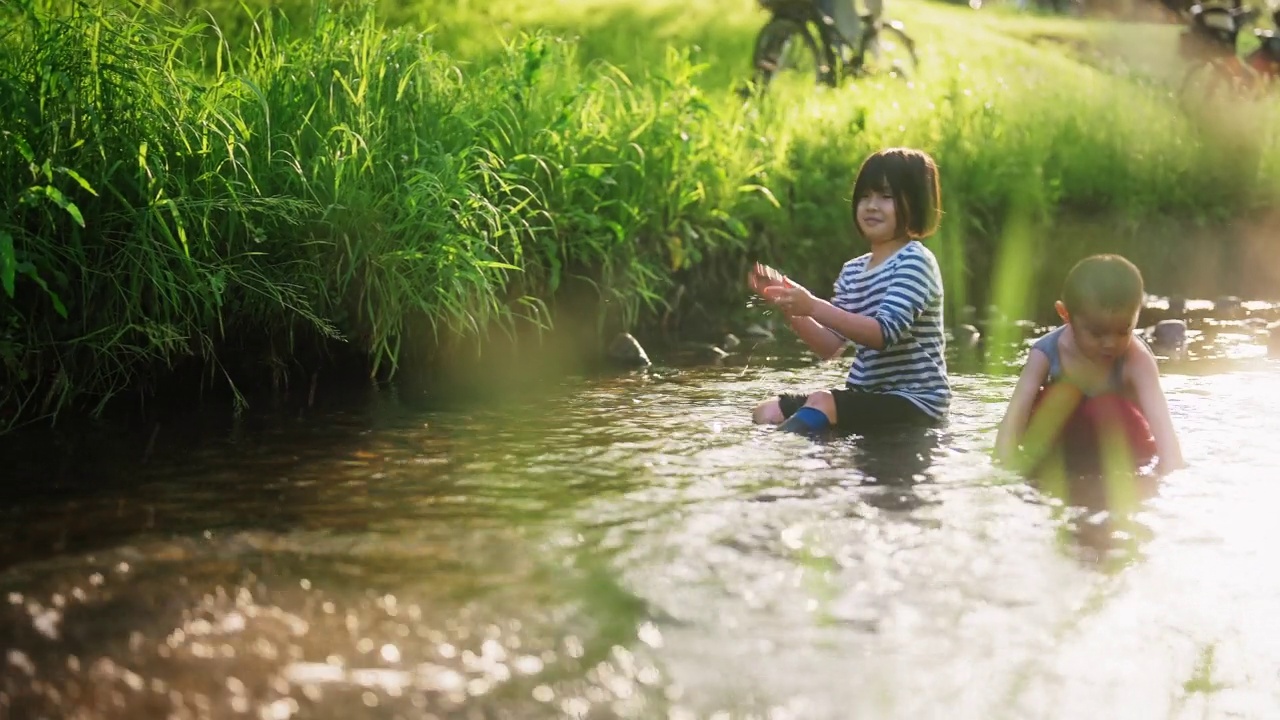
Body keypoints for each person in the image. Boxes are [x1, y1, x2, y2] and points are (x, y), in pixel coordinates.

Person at [748, 147, 949, 435]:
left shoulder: (915, 262)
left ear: (915, 203)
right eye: (865, 196)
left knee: (823, 403)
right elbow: (829, 346)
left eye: (886, 197)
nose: (871, 205)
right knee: (766, 411)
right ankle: (805, 455)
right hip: (868, 397)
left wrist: (814, 305)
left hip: (916, 403)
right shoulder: (853, 270)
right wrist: (790, 305)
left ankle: (790, 466)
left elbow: (881, 334)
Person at [994, 254, 1186, 474]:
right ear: (1065, 314)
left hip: (1123, 454)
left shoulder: (1137, 360)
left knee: (1106, 407)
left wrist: (1167, 481)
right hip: (1058, 449)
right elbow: (1014, 416)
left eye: (1123, 331)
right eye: (1096, 333)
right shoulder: (1045, 353)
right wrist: (1003, 470)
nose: (1110, 343)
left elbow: (1165, 436)